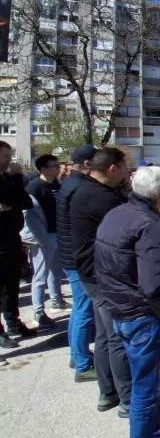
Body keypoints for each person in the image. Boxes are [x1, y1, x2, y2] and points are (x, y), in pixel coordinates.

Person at [94, 166, 160, 438]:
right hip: (140, 313)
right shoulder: (150, 225)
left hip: (118, 305)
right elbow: (154, 282)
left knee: (145, 381)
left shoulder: (117, 212)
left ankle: (158, 429)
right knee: (144, 390)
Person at [71, 147, 132, 415]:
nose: (127, 173)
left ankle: (108, 392)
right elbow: (130, 221)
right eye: (125, 168)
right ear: (112, 168)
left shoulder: (87, 189)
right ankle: (127, 399)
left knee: (105, 335)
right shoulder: (100, 197)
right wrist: (128, 191)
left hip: (92, 273)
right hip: (103, 275)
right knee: (116, 337)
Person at [57, 144, 97, 380]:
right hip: (78, 258)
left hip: (70, 255)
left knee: (79, 309)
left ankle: (77, 353)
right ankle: (82, 364)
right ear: (87, 164)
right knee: (84, 310)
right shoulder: (79, 186)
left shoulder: (70, 183)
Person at [23, 154, 68, 328]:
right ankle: (38, 312)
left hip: (58, 233)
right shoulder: (34, 187)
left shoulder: (57, 185)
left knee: (55, 272)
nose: (58, 168)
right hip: (43, 236)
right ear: (43, 169)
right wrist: (40, 238)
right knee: (40, 275)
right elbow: (30, 217)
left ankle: (57, 300)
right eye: (54, 166)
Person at [0, 141, 35, 350]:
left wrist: (16, 178)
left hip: (11, 240)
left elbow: (26, 203)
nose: (9, 160)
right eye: (5, 156)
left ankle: (13, 323)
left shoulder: (8, 179)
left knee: (11, 286)